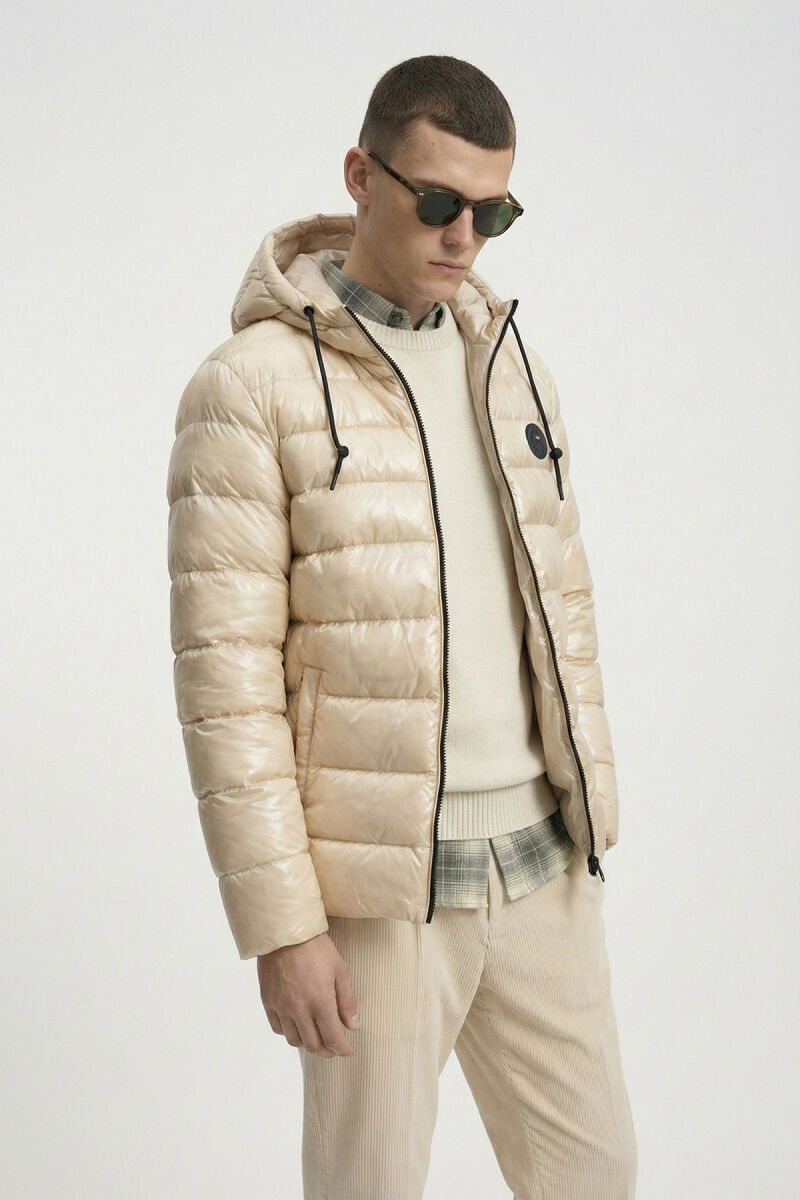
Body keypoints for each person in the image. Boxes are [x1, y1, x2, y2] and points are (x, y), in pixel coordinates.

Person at [167, 53, 637, 1200]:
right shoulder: (249, 386)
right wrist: (283, 926)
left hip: (540, 864)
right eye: (436, 201)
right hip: (379, 894)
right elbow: (225, 681)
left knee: (596, 1176)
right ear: (360, 176)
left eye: (492, 212)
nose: (463, 237)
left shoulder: (510, 366)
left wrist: (588, 809)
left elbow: (562, 606)